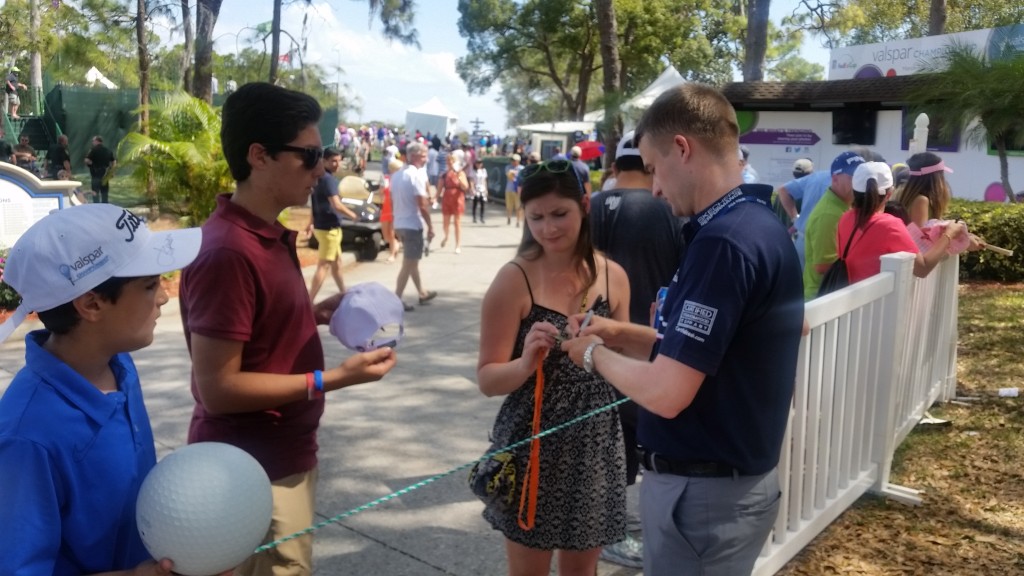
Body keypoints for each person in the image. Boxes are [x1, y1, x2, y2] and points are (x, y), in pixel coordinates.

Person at [560, 83, 803, 576]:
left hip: (704, 496)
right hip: (724, 487)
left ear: (682, 149)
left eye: (653, 169)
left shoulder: (724, 244)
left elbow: (669, 392)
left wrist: (590, 355)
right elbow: (715, 352)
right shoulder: (755, 222)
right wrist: (621, 333)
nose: (652, 188)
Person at [178, 82, 398, 576]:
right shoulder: (228, 252)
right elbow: (219, 389)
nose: (321, 167)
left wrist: (312, 313)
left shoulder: (263, 235)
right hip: (251, 469)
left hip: (280, 457)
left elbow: (255, 334)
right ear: (259, 156)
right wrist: (333, 378)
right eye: (309, 154)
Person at [0, 203, 202, 576]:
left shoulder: (118, 363)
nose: (163, 297)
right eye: (148, 285)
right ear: (91, 304)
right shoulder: (26, 437)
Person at [476, 157, 631, 576]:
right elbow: (488, 379)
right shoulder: (515, 279)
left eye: (559, 214)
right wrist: (526, 361)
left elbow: (631, 361)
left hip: (596, 443)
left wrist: (617, 339)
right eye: (536, 218)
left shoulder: (613, 275)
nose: (548, 229)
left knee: (582, 572)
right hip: (532, 445)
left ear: (584, 204)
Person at [588, 129, 687, 569]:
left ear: (614, 168)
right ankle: (617, 527)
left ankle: (606, 525)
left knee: (598, 433)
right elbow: (678, 273)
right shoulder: (662, 209)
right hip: (640, 339)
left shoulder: (588, 206)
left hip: (587, 335)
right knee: (632, 433)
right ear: (648, 168)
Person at [837, 161, 969, 284]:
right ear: (890, 193)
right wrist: (948, 235)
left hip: (849, 299)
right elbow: (922, 268)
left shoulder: (845, 218)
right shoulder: (890, 225)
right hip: (877, 303)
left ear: (855, 191)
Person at [802, 151, 866, 299]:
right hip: (823, 296)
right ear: (835, 179)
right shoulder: (829, 214)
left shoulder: (843, 205)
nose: (858, 183)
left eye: (861, 177)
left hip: (829, 294)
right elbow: (823, 265)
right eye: (852, 177)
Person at [391, 141, 437, 311]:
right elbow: (422, 205)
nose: (426, 159)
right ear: (415, 156)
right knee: (409, 263)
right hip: (412, 225)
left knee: (412, 262)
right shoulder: (416, 175)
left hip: (400, 223)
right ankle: (396, 299)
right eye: (423, 155)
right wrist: (430, 226)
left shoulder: (396, 175)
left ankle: (421, 292)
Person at [307, 146, 358, 300]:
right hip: (329, 229)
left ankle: (344, 294)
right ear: (324, 161)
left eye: (338, 161)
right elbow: (336, 204)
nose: (336, 164)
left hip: (323, 226)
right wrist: (353, 215)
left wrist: (310, 221)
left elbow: (314, 201)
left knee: (336, 265)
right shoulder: (329, 180)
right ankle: (309, 302)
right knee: (324, 266)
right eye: (333, 161)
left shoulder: (318, 176)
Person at [438, 151, 469, 253]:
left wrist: (459, 178)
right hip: (447, 197)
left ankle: (457, 245)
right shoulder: (444, 174)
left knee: (457, 222)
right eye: (448, 161)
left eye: (452, 161)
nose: (450, 163)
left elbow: (465, 186)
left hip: (458, 198)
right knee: (445, 223)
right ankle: (446, 237)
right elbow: (439, 188)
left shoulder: (460, 173)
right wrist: (434, 198)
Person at [381, 157, 404, 263]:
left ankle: (392, 254)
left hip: (396, 208)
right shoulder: (386, 179)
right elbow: (381, 191)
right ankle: (396, 245)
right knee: (385, 234)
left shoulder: (402, 181)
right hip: (386, 207)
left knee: (391, 232)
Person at [85, 135, 116, 203]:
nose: (92, 142)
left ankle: (97, 208)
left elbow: (86, 160)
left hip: (96, 175)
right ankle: (105, 208)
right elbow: (114, 161)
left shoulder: (93, 150)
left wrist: (91, 164)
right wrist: (112, 171)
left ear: (97, 141)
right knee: (104, 194)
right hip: (105, 174)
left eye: (93, 141)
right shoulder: (108, 150)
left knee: (95, 193)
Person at [504, 153, 522, 227]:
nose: (513, 162)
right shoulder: (508, 167)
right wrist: (515, 173)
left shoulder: (522, 168)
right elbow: (509, 175)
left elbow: (521, 177)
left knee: (518, 206)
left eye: (515, 160)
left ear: (518, 161)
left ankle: (518, 221)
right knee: (509, 205)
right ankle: (509, 218)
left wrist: (515, 173)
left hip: (518, 190)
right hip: (509, 189)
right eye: (512, 160)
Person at [471, 157, 488, 224]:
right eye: (477, 163)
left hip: (482, 188)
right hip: (476, 188)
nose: (478, 164)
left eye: (480, 163)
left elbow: (485, 180)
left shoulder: (484, 171)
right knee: (475, 203)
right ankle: (474, 217)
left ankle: (482, 217)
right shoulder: (473, 171)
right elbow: (471, 180)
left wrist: (486, 189)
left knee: (482, 204)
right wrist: (472, 188)